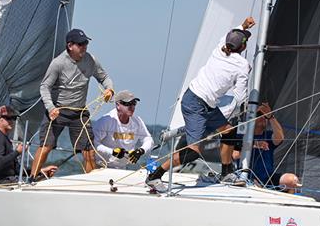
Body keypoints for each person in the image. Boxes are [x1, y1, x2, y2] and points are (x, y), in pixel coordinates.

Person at [146, 17, 255, 191]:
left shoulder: (220, 47)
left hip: (205, 102)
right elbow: (241, 96)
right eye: (246, 40)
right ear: (243, 47)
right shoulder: (242, 65)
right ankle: (155, 176)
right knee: (194, 151)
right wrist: (247, 103)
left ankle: (226, 173)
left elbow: (231, 36)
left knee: (228, 131)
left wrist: (243, 25)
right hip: (195, 103)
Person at [31, 28, 114, 176]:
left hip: (79, 112)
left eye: (86, 43)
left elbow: (104, 77)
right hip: (58, 111)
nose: (85, 46)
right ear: (70, 46)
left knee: (88, 150)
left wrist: (109, 89)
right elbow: (44, 87)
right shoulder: (58, 63)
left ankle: (91, 183)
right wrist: (51, 108)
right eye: (81, 44)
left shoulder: (91, 60)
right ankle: (31, 179)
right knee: (46, 146)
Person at [0, 105, 57, 185]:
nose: (12, 121)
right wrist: (17, 152)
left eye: (14, 118)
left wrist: (40, 171)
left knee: (40, 182)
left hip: (8, 181)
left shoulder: (3, 137)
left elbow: (17, 170)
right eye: (8, 118)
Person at [93, 90, 154, 168]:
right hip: (102, 167)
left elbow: (149, 140)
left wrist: (140, 151)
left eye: (134, 104)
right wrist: (112, 152)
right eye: (128, 104)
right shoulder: (106, 121)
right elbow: (93, 144)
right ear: (118, 105)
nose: (132, 107)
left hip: (122, 168)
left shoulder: (137, 121)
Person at [248, 102, 285, 186]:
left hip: (268, 179)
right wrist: (254, 144)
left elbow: (280, 138)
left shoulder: (268, 135)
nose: (262, 117)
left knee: (291, 181)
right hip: (246, 177)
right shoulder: (242, 136)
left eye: (264, 115)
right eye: (259, 114)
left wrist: (270, 117)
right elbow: (235, 154)